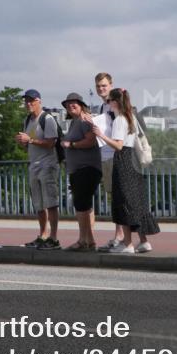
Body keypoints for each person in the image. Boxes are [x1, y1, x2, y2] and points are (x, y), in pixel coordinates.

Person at [92, 87, 159, 254]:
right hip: (134, 160)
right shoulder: (131, 117)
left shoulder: (119, 120)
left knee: (123, 201)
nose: (108, 104)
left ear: (114, 102)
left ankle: (128, 244)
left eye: (109, 101)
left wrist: (101, 135)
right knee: (136, 200)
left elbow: (118, 145)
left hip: (123, 160)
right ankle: (143, 241)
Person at [14, 89, 61, 250]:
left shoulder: (47, 119)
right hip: (33, 164)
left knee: (51, 202)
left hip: (47, 164)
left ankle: (53, 238)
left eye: (32, 101)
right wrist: (24, 142)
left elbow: (50, 143)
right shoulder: (28, 120)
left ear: (39, 101)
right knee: (39, 204)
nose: (28, 104)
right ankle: (43, 235)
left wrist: (30, 140)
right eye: (26, 101)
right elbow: (30, 143)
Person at [59, 92, 102, 251]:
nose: (71, 106)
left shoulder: (84, 119)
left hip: (87, 168)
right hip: (78, 169)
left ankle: (87, 241)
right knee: (82, 205)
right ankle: (85, 240)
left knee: (82, 205)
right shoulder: (75, 122)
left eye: (73, 103)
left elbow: (90, 141)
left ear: (81, 104)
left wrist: (72, 145)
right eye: (68, 104)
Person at [93, 72, 122, 250]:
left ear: (110, 85)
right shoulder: (103, 107)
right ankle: (119, 234)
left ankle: (121, 235)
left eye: (104, 85)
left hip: (115, 154)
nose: (101, 89)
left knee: (119, 196)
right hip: (105, 153)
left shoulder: (114, 104)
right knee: (113, 195)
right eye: (98, 86)